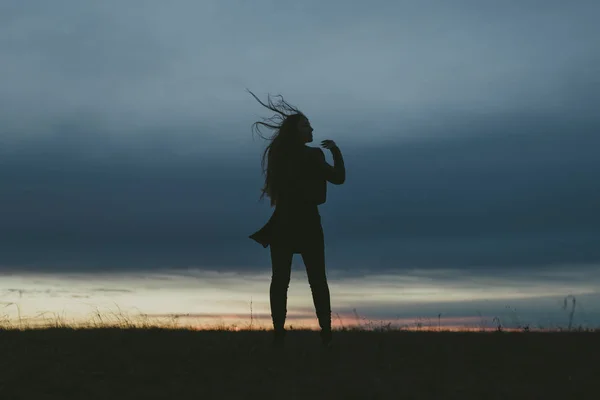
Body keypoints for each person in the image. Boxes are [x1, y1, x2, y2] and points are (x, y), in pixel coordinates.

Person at [247, 90, 346, 347]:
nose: (311, 128)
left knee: (281, 280)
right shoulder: (311, 155)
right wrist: (335, 150)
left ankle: (280, 334)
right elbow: (338, 178)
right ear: (296, 130)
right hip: (306, 222)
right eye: (306, 125)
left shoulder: (279, 155)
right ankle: (325, 334)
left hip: (284, 221)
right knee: (315, 281)